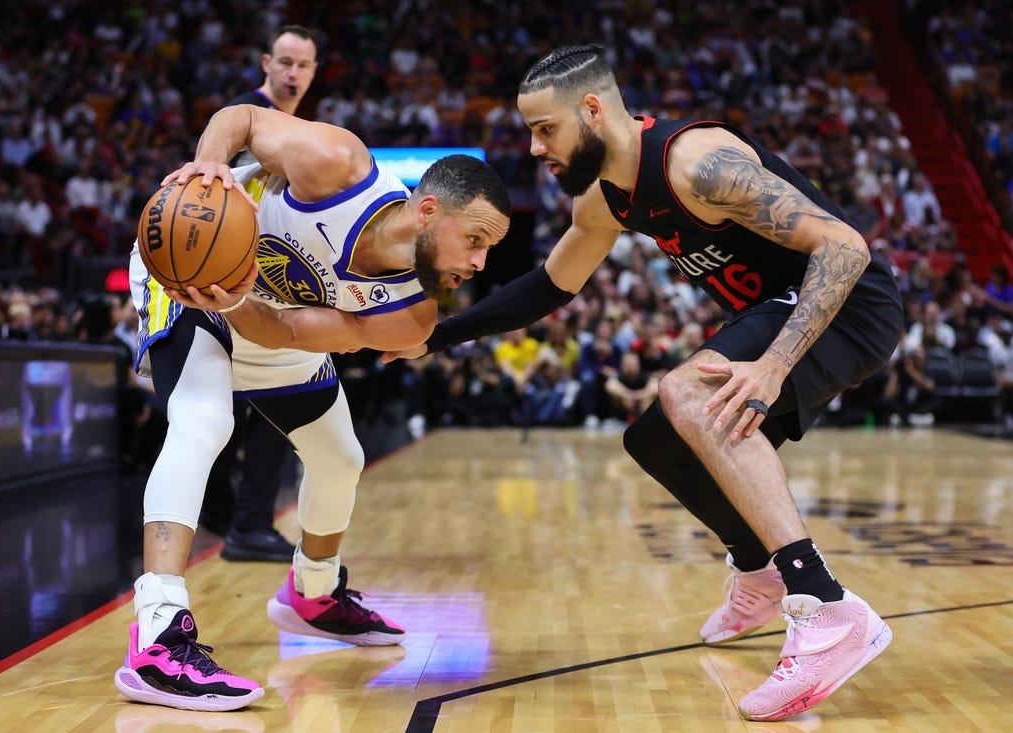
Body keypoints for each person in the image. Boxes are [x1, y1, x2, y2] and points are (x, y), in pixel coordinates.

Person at [384, 44, 903, 722]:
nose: (535, 147)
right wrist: (436, 335)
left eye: (545, 129)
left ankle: (826, 604)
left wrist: (773, 365)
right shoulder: (606, 197)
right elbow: (551, 285)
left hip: (846, 303)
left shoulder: (696, 164)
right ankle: (758, 570)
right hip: (773, 310)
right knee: (656, 439)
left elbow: (844, 247)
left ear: (592, 110)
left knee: (685, 393)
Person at [117, 103, 511, 712]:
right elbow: (243, 118)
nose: (479, 264)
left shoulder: (410, 315)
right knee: (205, 420)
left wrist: (239, 295)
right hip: (185, 276)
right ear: (429, 210)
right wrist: (208, 167)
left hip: (259, 309)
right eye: (476, 241)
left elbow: (288, 335)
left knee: (339, 457)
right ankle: (157, 636)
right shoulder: (335, 166)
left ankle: (313, 594)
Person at [199, 25, 322, 562]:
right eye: (287, 62)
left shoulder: (299, 128)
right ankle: (243, 522)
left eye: (305, 65)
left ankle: (237, 519)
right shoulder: (246, 116)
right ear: (266, 64)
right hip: (234, 279)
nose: (294, 73)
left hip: (266, 281)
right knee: (272, 403)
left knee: (249, 409)